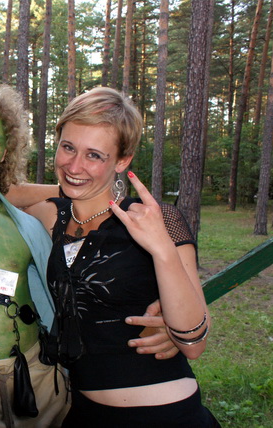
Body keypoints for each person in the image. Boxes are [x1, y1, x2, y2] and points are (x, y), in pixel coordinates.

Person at [0, 84, 179, 428]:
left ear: (6, 151)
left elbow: (87, 282)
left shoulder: (29, 226)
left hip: (37, 385)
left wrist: (175, 322)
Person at [26, 87, 220, 427]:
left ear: (122, 160)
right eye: (68, 147)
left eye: (94, 155)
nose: (74, 165)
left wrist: (162, 250)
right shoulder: (48, 215)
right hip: (82, 412)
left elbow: (194, 342)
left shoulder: (157, 220)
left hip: (163, 415)